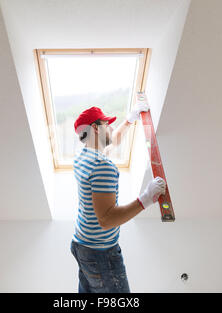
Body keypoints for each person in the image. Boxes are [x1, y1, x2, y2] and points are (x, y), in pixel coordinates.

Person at [70, 103, 166, 293]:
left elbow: (112, 140)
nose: (111, 128)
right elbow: (107, 220)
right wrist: (146, 198)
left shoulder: (83, 156)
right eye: (107, 124)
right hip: (100, 254)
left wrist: (129, 120)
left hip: (81, 245)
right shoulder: (102, 166)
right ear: (96, 128)